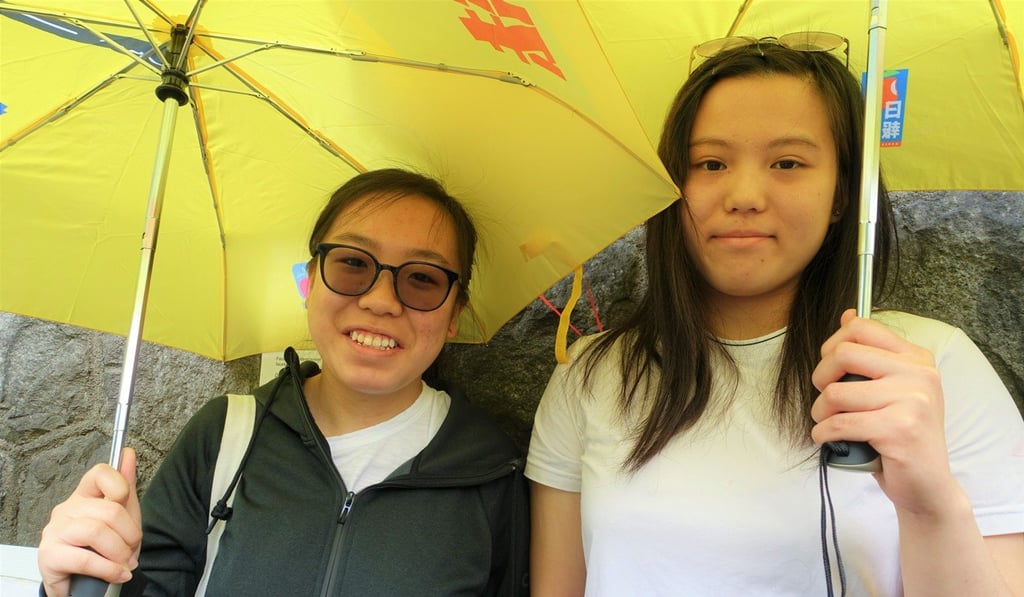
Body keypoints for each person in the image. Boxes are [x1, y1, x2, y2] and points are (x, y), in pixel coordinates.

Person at [526, 36, 1024, 596]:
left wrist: (931, 504)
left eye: (787, 162)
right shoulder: (591, 374)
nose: (743, 195)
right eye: (710, 163)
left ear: (842, 195)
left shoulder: (931, 370)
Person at [38, 169, 530, 596]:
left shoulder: (491, 470)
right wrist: (79, 582)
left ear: (454, 315)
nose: (382, 301)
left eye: (422, 278)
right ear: (310, 282)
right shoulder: (225, 435)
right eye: (354, 263)